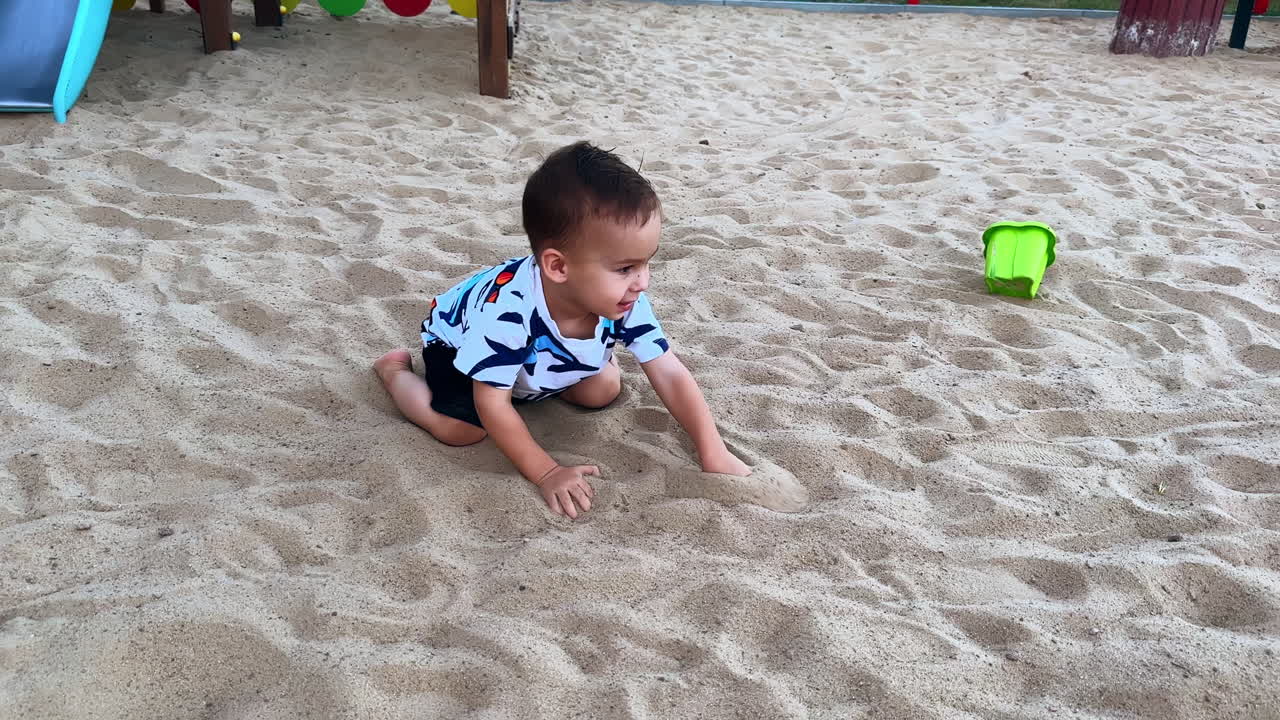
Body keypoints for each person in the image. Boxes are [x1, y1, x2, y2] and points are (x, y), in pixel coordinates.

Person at [374, 141, 750, 519]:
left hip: (532, 357)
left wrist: (712, 450)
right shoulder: (507, 313)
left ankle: (543, 378)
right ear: (558, 267)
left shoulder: (624, 297)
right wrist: (547, 472)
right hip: (456, 346)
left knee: (602, 390)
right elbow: (492, 404)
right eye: (625, 268)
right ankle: (394, 373)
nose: (642, 282)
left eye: (645, 263)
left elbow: (669, 371)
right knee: (460, 430)